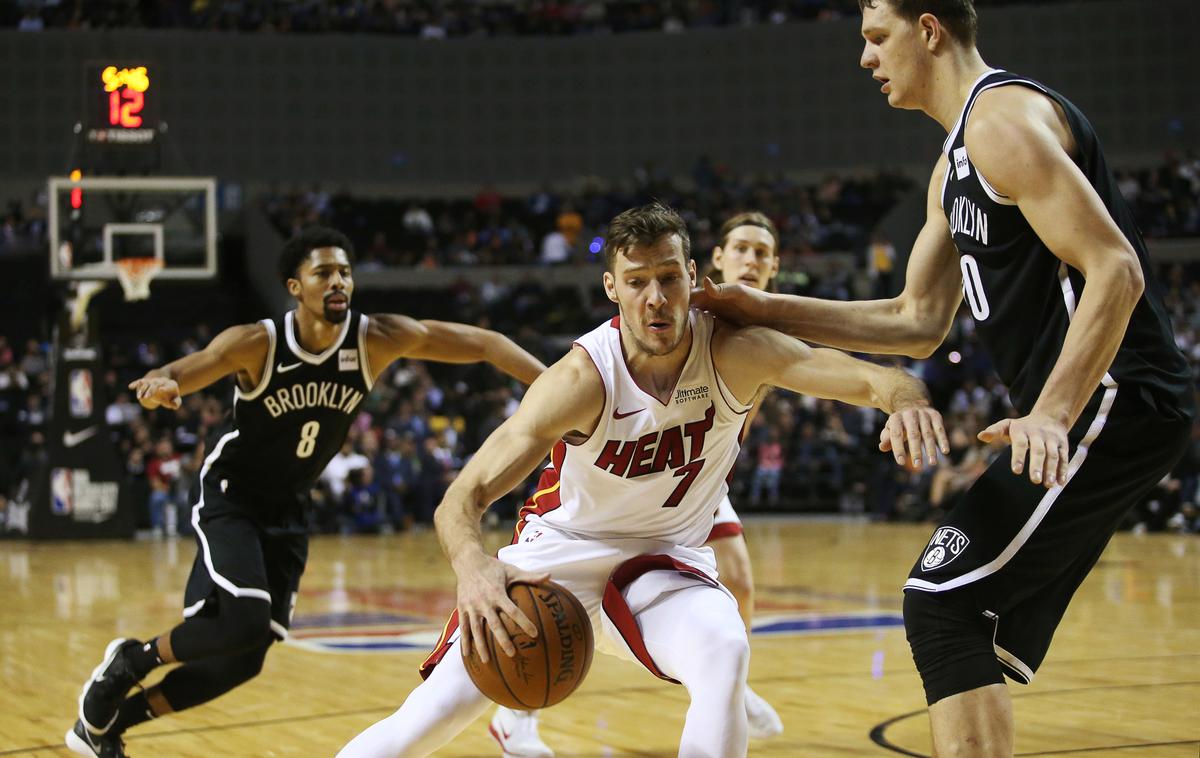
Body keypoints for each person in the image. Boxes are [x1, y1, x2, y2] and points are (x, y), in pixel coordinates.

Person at [691, 2, 1196, 754]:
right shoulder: (952, 162)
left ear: (928, 29)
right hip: (1102, 405)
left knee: (940, 604)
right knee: (965, 618)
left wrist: (1054, 414)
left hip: (1113, 395)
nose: (864, 58)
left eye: (874, 37)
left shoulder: (1001, 123)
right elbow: (915, 319)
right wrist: (763, 306)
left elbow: (1115, 268)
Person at [337, 203, 947, 758]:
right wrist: (473, 567)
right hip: (558, 560)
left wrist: (906, 399)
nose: (656, 297)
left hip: (664, 561)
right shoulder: (581, 380)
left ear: (693, 278)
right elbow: (461, 498)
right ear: (613, 289)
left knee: (725, 650)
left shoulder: (738, 351)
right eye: (637, 282)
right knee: (422, 725)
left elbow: (875, 379)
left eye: (668, 277)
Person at [66, 226, 547, 758]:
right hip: (233, 496)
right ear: (295, 286)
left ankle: (106, 726)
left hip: (290, 508)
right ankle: (131, 661)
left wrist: (555, 387)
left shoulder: (375, 338)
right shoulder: (258, 342)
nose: (338, 281)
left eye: (344, 271)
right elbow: (188, 368)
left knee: (244, 657)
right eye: (323, 273)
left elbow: (486, 345)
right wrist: (166, 382)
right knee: (243, 618)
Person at [488, 211, 787, 757]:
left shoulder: (763, 328)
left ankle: (725, 685)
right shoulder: (676, 315)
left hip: (693, 472)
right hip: (632, 468)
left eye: (763, 254)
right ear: (711, 264)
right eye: (741, 249)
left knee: (739, 581)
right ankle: (517, 712)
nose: (751, 260)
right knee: (549, 598)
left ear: (775, 267)